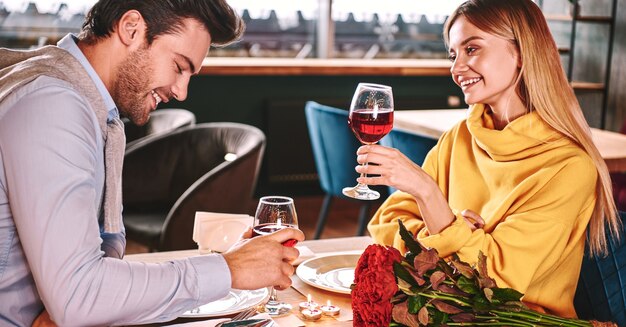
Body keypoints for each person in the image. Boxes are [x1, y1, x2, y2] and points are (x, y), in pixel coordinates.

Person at [0, 0, 304, 325]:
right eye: (178, 66)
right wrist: (230, 269)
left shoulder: (86, 103)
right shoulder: (54, 106)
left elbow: (80, 287)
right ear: (131, 28)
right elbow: (80, 296)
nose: (182, 91)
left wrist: (67, 302)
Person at [357, 0, 621, 318]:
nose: (456, 69)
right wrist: (448, 229)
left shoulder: (569, 167)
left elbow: (495, 283)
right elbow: (386, 225)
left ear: (522, 51)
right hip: (437, 312)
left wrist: (430, 197)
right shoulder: (460, 137)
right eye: (453, 54)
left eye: (472, 49)